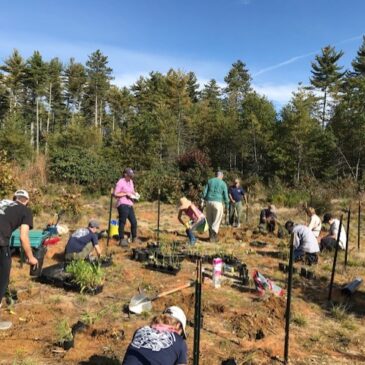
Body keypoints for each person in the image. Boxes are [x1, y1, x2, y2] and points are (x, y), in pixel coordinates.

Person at [0, 190, 38, 330]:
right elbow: (23, 237)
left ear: (14, 198)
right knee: (2, 280)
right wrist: (31, 257)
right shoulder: (25, 210)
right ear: (26, 201)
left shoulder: (3, 201)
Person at [122, 306, 188, 365]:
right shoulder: (180, 342)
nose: (180, 336)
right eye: (181, 333)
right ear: (178, 325)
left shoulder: (140, 330)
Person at [114, 168, 141, 246]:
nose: (131, 177)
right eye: (129, 175)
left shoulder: (131, 182)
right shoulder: (120, 182)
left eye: (131, 175)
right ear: (125, 174)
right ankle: (121, 239)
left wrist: (135, 194)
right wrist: (125, 194)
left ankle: (134, 238)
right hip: (122, 204)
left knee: (134, 222)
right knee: (122, 221)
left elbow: (132, 191)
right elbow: (116, 194)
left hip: (130, 203)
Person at [202, 171, 229, 242]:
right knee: (217, 220)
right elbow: (226, 196)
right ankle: (213, 237)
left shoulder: (210, 181)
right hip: (218, 202)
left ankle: (210, 236)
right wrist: (227, 205)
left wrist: (203, 200)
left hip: (209, 202)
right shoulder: (223, 183)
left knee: (209, 220)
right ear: (221, 176)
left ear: (216, 175)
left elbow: (204, 192)